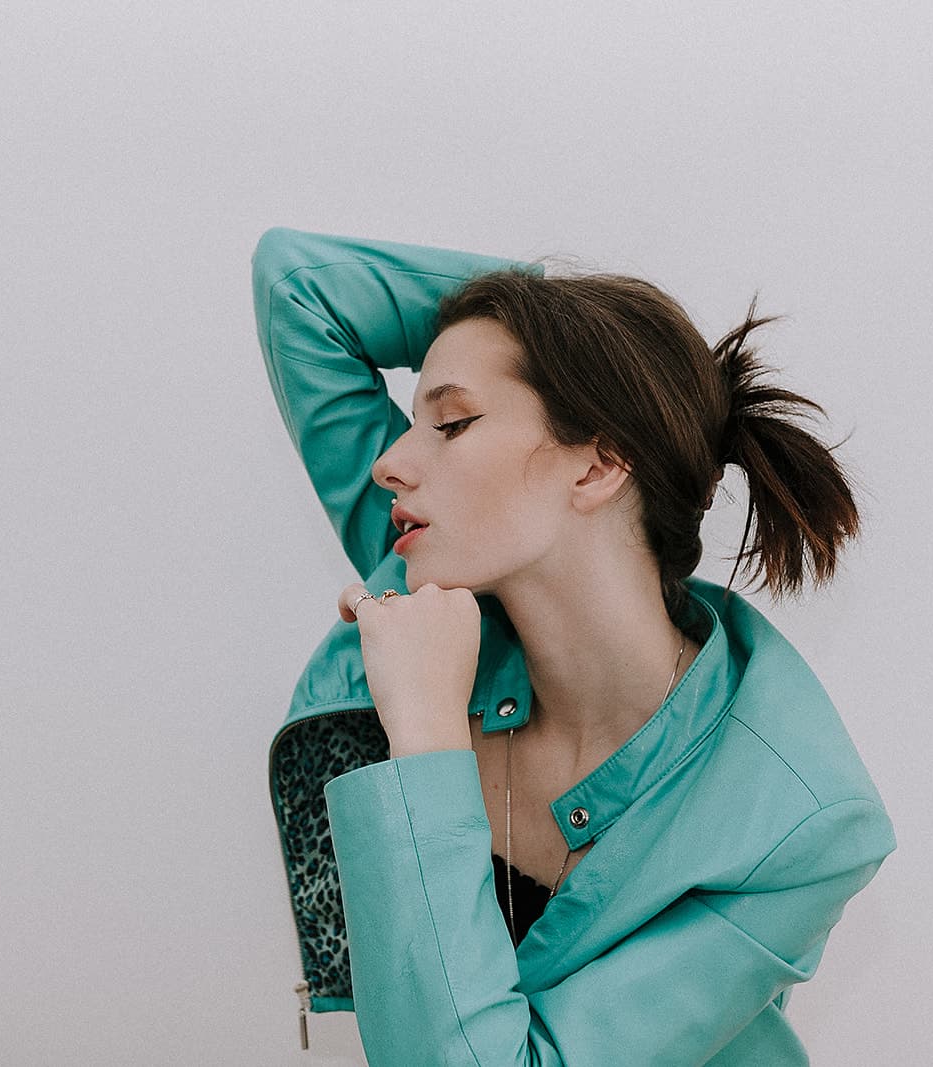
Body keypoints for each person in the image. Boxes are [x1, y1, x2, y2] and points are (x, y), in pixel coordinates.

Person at [253, 226, 896, 1066]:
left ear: (595, 469)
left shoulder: (803, 826)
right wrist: (548, 310)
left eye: (450, 422)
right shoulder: (430, 566)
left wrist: (425, 736)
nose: (391, 464)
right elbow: (297, 285)